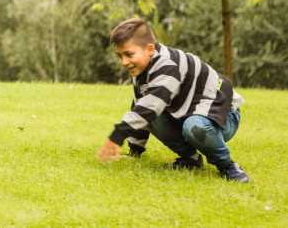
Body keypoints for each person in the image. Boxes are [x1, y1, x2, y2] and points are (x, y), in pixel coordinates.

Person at [96, 18, 249, 183]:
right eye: (120, 56)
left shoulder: (168, 65)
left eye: (128, 54)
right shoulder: (143, 69)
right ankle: (191, 159)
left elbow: (150, 106)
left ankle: (226, 165)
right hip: (190, 114)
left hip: (224, 116)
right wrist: (135, 151)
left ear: (149, 49)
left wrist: (117, 135)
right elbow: (141, 107)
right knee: (155, 115)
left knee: (194, 126)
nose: (124, 62)